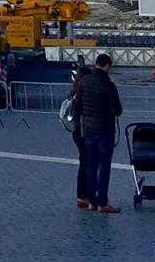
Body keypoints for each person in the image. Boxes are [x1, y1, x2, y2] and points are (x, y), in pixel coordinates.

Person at [73, 52, 123, 213]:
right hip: (105, 130)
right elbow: (118, 109)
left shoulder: (84, 82)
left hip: (88, 129)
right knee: (104, 167)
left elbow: (77, 106)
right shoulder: (108, 85)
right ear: (107, 65)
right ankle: (102, 202)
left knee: (91, 166)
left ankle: (92, 202)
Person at [65, 60, 91, 209]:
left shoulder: (73, 92)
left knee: (83, 163)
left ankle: (82, 196)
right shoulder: (82, 93)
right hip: (84, 130)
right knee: (87, 164)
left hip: (77, 131)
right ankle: (85, 195)